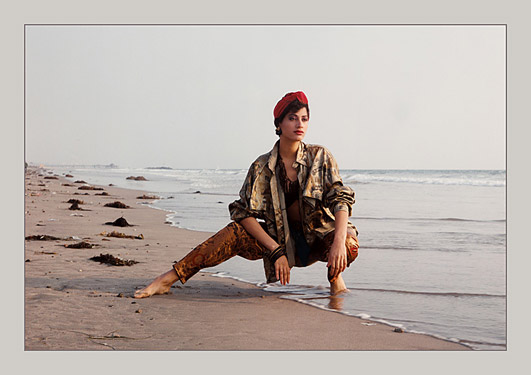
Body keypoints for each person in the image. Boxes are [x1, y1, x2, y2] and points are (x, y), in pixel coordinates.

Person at [134, 91, 359, 299]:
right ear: (279, 123)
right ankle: (167, 279)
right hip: (278, 243)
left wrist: (338, 241)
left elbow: (340, 198)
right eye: (292, 118)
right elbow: (242, 213)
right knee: (233, 232)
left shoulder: (320, 156)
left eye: (304, 118)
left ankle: (335, 278)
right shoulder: (261, 166)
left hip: (318, 241)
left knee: (348, 242)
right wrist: (275, 249)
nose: (299, 124)